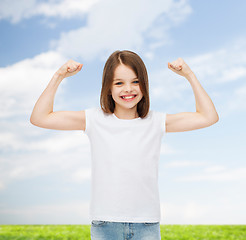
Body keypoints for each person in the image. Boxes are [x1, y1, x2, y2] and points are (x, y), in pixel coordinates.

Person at [30, 50, 219, 240]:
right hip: (105, 225)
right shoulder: (94, 119)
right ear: (108, 89)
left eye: (135, 82)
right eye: (119, 83)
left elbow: (208, 116)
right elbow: (40, 117)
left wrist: (189, 75)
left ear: (144, 85)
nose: (128, 89)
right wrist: (59, 76)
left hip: (146, 225)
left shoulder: (156, 121)